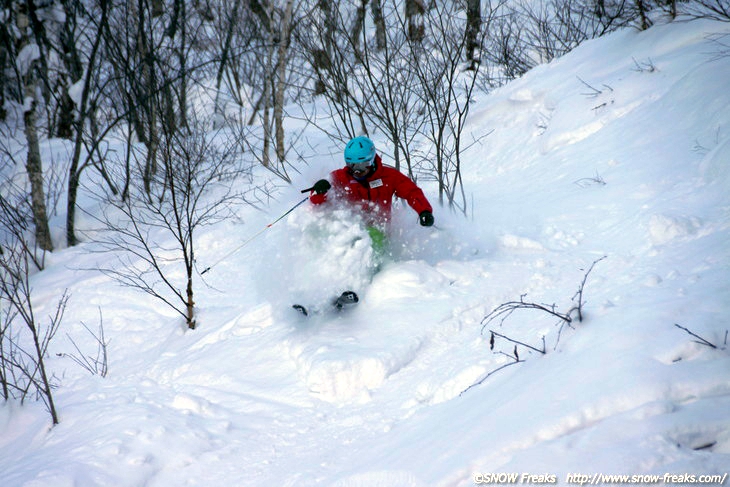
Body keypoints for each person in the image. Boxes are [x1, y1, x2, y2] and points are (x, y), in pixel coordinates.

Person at [308, 136, 435, 235]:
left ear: (372, 159)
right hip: (349, 231)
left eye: (362, 165)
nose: (357, 171)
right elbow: (315, 201)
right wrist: (320, 190)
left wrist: (424, 211)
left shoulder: (388, 177)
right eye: (352, 165)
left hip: (380, 231)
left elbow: (411, 192)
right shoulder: (340, 178)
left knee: (373, 236)